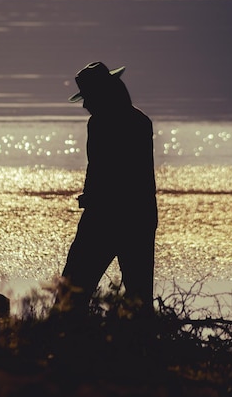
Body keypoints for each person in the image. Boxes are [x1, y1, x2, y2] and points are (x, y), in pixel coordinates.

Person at [57, 61, 158, 318]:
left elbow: (101, 171)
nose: (85, 104)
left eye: (88, 97)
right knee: (139, 296)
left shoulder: (100, 124)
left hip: (104, 217)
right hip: (141, 217)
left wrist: (91, 199)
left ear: (101, 95)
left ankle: (58, 339)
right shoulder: (140, 122)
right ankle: (142, 346)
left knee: (73, 288)